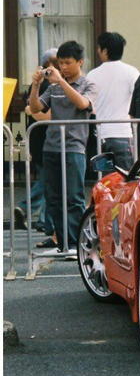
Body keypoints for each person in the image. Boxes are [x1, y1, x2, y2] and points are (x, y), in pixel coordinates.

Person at [29, 41, 97, 258]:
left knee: (74, 198)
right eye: (61, 63)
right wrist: (36, 85)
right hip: (51, 148)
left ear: (80, 62)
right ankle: (63, 244)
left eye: (68, 63)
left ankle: (77, 245)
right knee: (54, 198)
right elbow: (36, 107)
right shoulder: (54, 86)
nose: (64, 67)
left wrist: (60, 81)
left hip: (74, 148)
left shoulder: (88, 84)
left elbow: (83, 104)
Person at [14, 49, 58, 240]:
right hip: (46, 138)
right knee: (48, 179)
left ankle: (44, 220)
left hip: (38, 138)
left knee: (49, 179)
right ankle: (26, 207)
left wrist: (30, 111)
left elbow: (32, 110)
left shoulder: (39, 82)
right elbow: (47, 115)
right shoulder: (49, 83)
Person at [87, 32, 140, 170]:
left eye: (99, 48)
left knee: (105, 181)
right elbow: (138, 100)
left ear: (105, 51)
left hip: (101, 134)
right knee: (126, 179)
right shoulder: (131, 72)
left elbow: (88, 103)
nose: (98, 51)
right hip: (123, 133)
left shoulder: (92, 75)